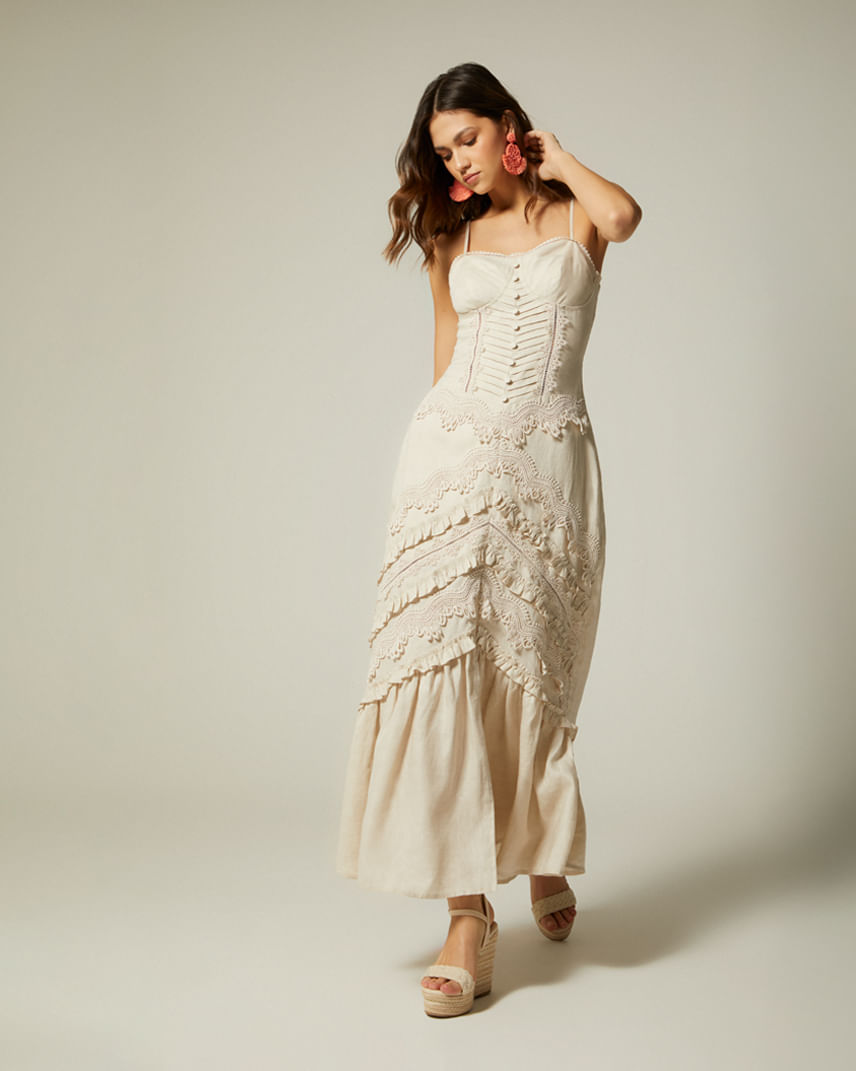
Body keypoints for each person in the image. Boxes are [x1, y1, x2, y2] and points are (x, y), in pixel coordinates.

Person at [335, 61, 641, 1018]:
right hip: (451, 461)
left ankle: (541, 850)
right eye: (440, 152)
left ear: (508, 124)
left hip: (548, 468)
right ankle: (468, 917)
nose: (455, 162)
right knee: (450, 671)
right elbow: (445, 358)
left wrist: (559, 156)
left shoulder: (578, 217)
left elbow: (625, 216)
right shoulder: (451, 236)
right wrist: (427, 471)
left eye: (466, 139)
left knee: (538, 669)